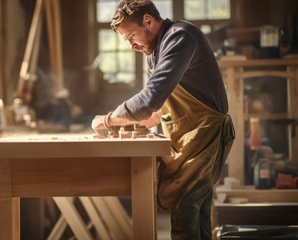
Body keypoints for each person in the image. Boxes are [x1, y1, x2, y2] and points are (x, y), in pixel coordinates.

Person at [91, 0, 235, 239]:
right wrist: (141, 123)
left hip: (204, 135)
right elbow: (160, 107)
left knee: (186, 209)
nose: (131, 45)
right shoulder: (155, 49)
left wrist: (108, 120)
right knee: (194, 210)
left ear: (148, 20)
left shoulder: (181, 37)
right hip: (188, 137)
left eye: (131, 37)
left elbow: (151, 98)